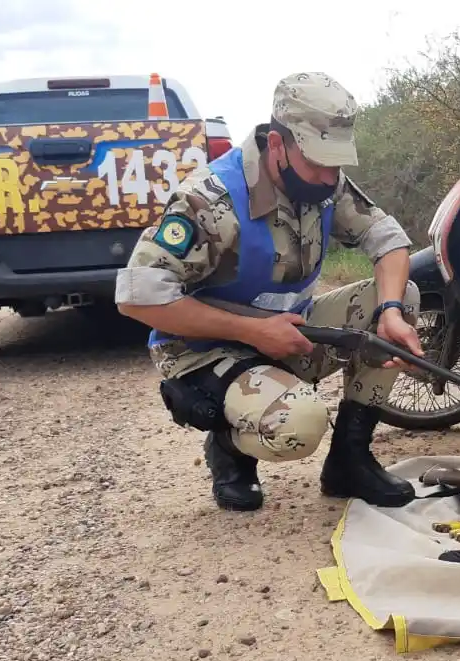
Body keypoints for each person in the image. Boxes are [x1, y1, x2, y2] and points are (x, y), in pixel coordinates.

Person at [115, 72, 424, 513]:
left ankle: (349, 462)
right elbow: (137, 296)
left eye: (336, 163)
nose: (328, 177)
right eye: (317, 163)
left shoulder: (324, 182)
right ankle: (228, 447)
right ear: (277, 144)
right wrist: (253, 332)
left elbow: (387, 239)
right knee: (300, 423)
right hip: (206, 350)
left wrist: (390, 310)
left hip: (290, 333)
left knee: (403, 295)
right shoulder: (210, 200)